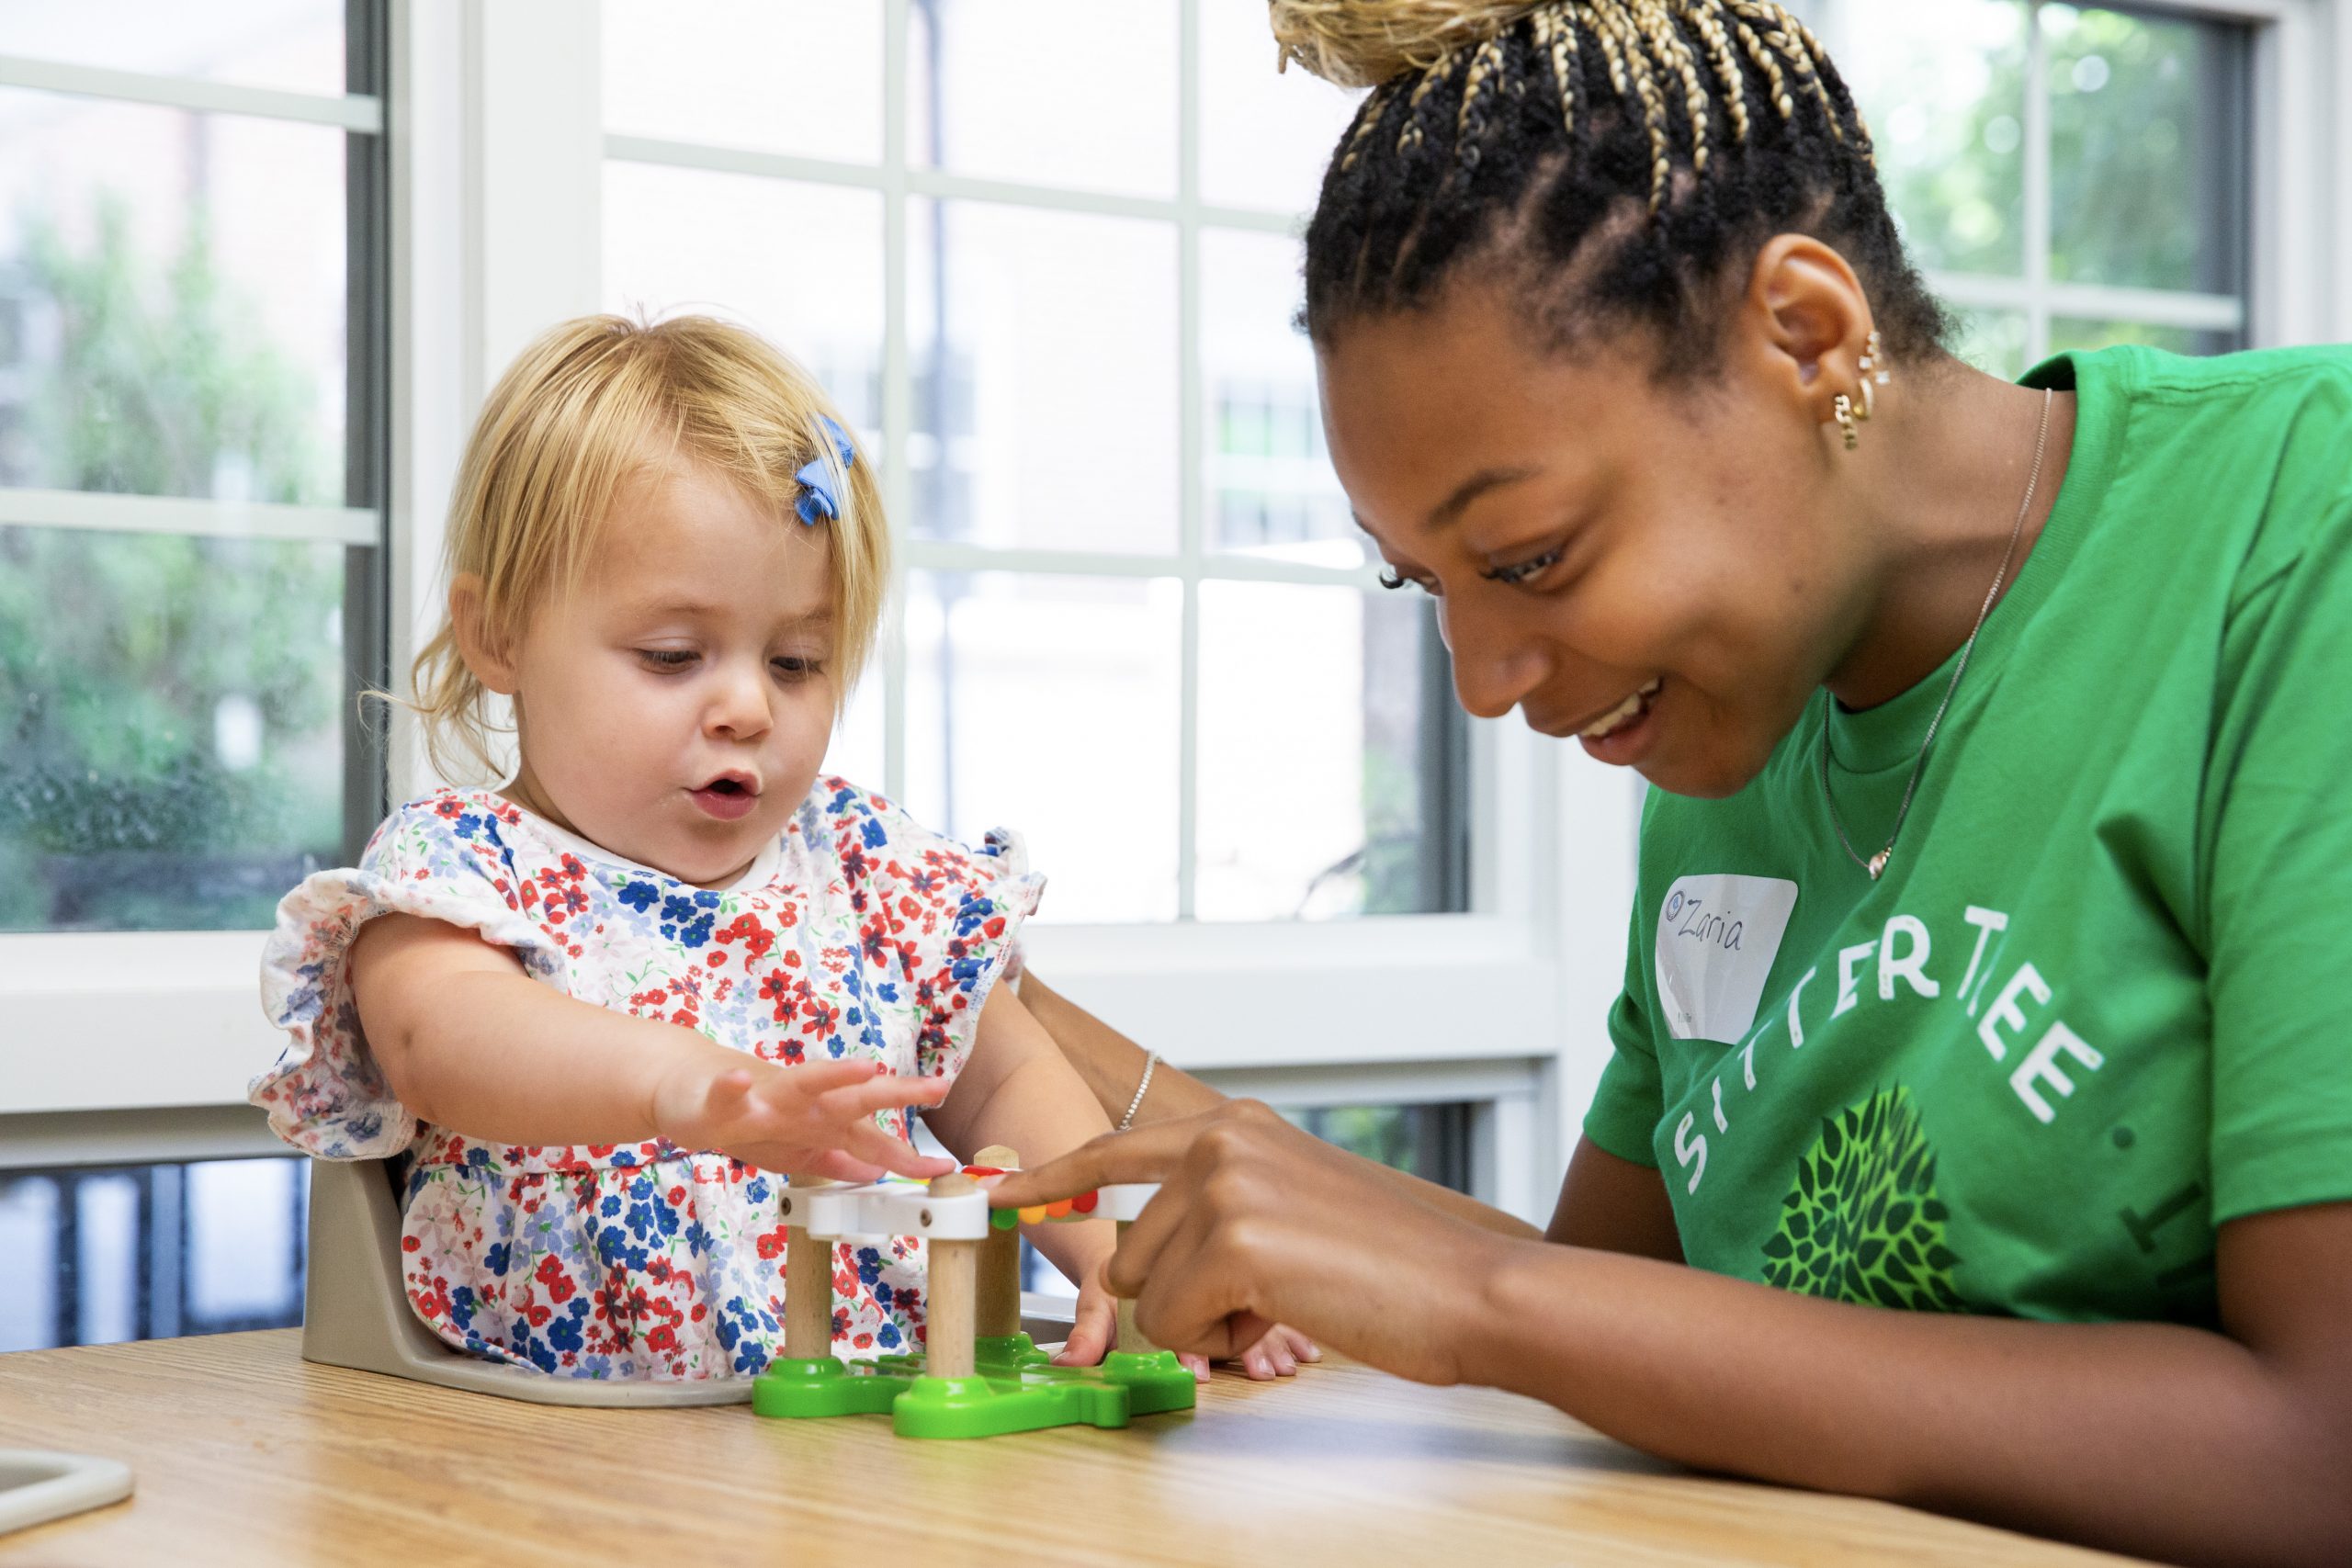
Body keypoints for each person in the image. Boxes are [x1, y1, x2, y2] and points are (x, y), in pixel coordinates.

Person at [989, 4, 2352, 1562]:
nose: (1484, 681)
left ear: (1807, 335)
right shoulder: (1740, 719)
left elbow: (2327, 1454)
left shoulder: (2299, 531)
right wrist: (1205, 1140)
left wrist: (1474, 1294)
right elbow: (1628, 1329)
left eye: (1530, 559)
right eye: (1419, 584)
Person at [249, 314, 1305, 1382]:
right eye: (673, 656)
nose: (749, 706)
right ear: (499, 635)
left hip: (867, 1429)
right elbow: (441, 1043)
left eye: (797, 661)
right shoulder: (464, 868)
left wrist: (1126, 1273)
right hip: (554, 1464)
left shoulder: (866, 872)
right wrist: (688, 1089)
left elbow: (1006, 1083)